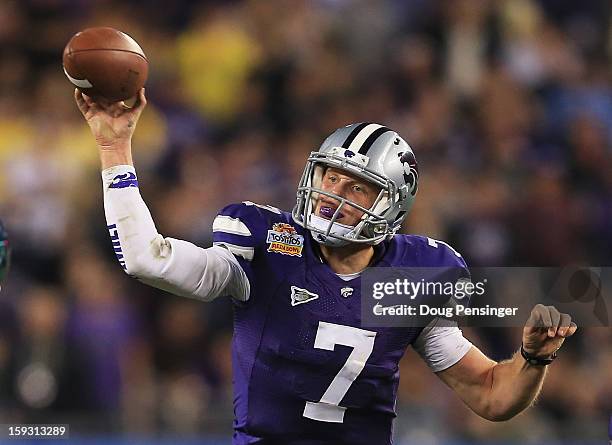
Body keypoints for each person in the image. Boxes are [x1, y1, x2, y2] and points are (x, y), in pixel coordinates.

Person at [75, 88, 577, 445]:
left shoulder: (414, 276)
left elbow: (491, 395)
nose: (334, 193)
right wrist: (114, 149)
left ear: (392, 207)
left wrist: (532, 360)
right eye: (331, 177)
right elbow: (145, 257)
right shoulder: (265, 248)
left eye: (356, 186)